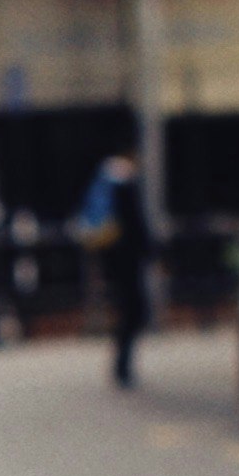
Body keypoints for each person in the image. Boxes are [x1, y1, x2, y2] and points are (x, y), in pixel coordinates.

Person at [78, 149, 152, 387]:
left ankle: (122, 364)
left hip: (114, 259)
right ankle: (122, 366)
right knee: (134, 311)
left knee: (129, 311)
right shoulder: (125, 185)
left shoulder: (108, 181)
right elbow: (136, 223)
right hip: (128, 260)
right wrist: (150, 250)